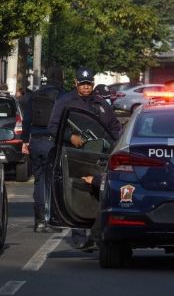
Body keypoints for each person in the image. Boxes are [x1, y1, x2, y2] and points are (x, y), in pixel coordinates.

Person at [48, 68, 123, 250]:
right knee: (79, 190)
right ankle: (79, 235)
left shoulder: (100, 102)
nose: (86, 87)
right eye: (82, 84)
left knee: (97, 191)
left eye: (88, 83)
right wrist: (70, 137)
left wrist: (119, 144)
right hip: (76, 154)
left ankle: (95, 233)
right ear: (76, 83)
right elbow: (53, 127)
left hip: (99, 155)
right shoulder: (65, 102)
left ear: (93, 83)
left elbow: (113, 126)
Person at [21, 66, 66, 233]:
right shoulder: (62, 95)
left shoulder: (35, 94)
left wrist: (25, 141)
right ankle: (51, 219)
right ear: (60, 77)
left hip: (35, 142)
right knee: (52, 181)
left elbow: (27, 120)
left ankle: (39, 221)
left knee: (39, 180)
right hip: (53, 142)